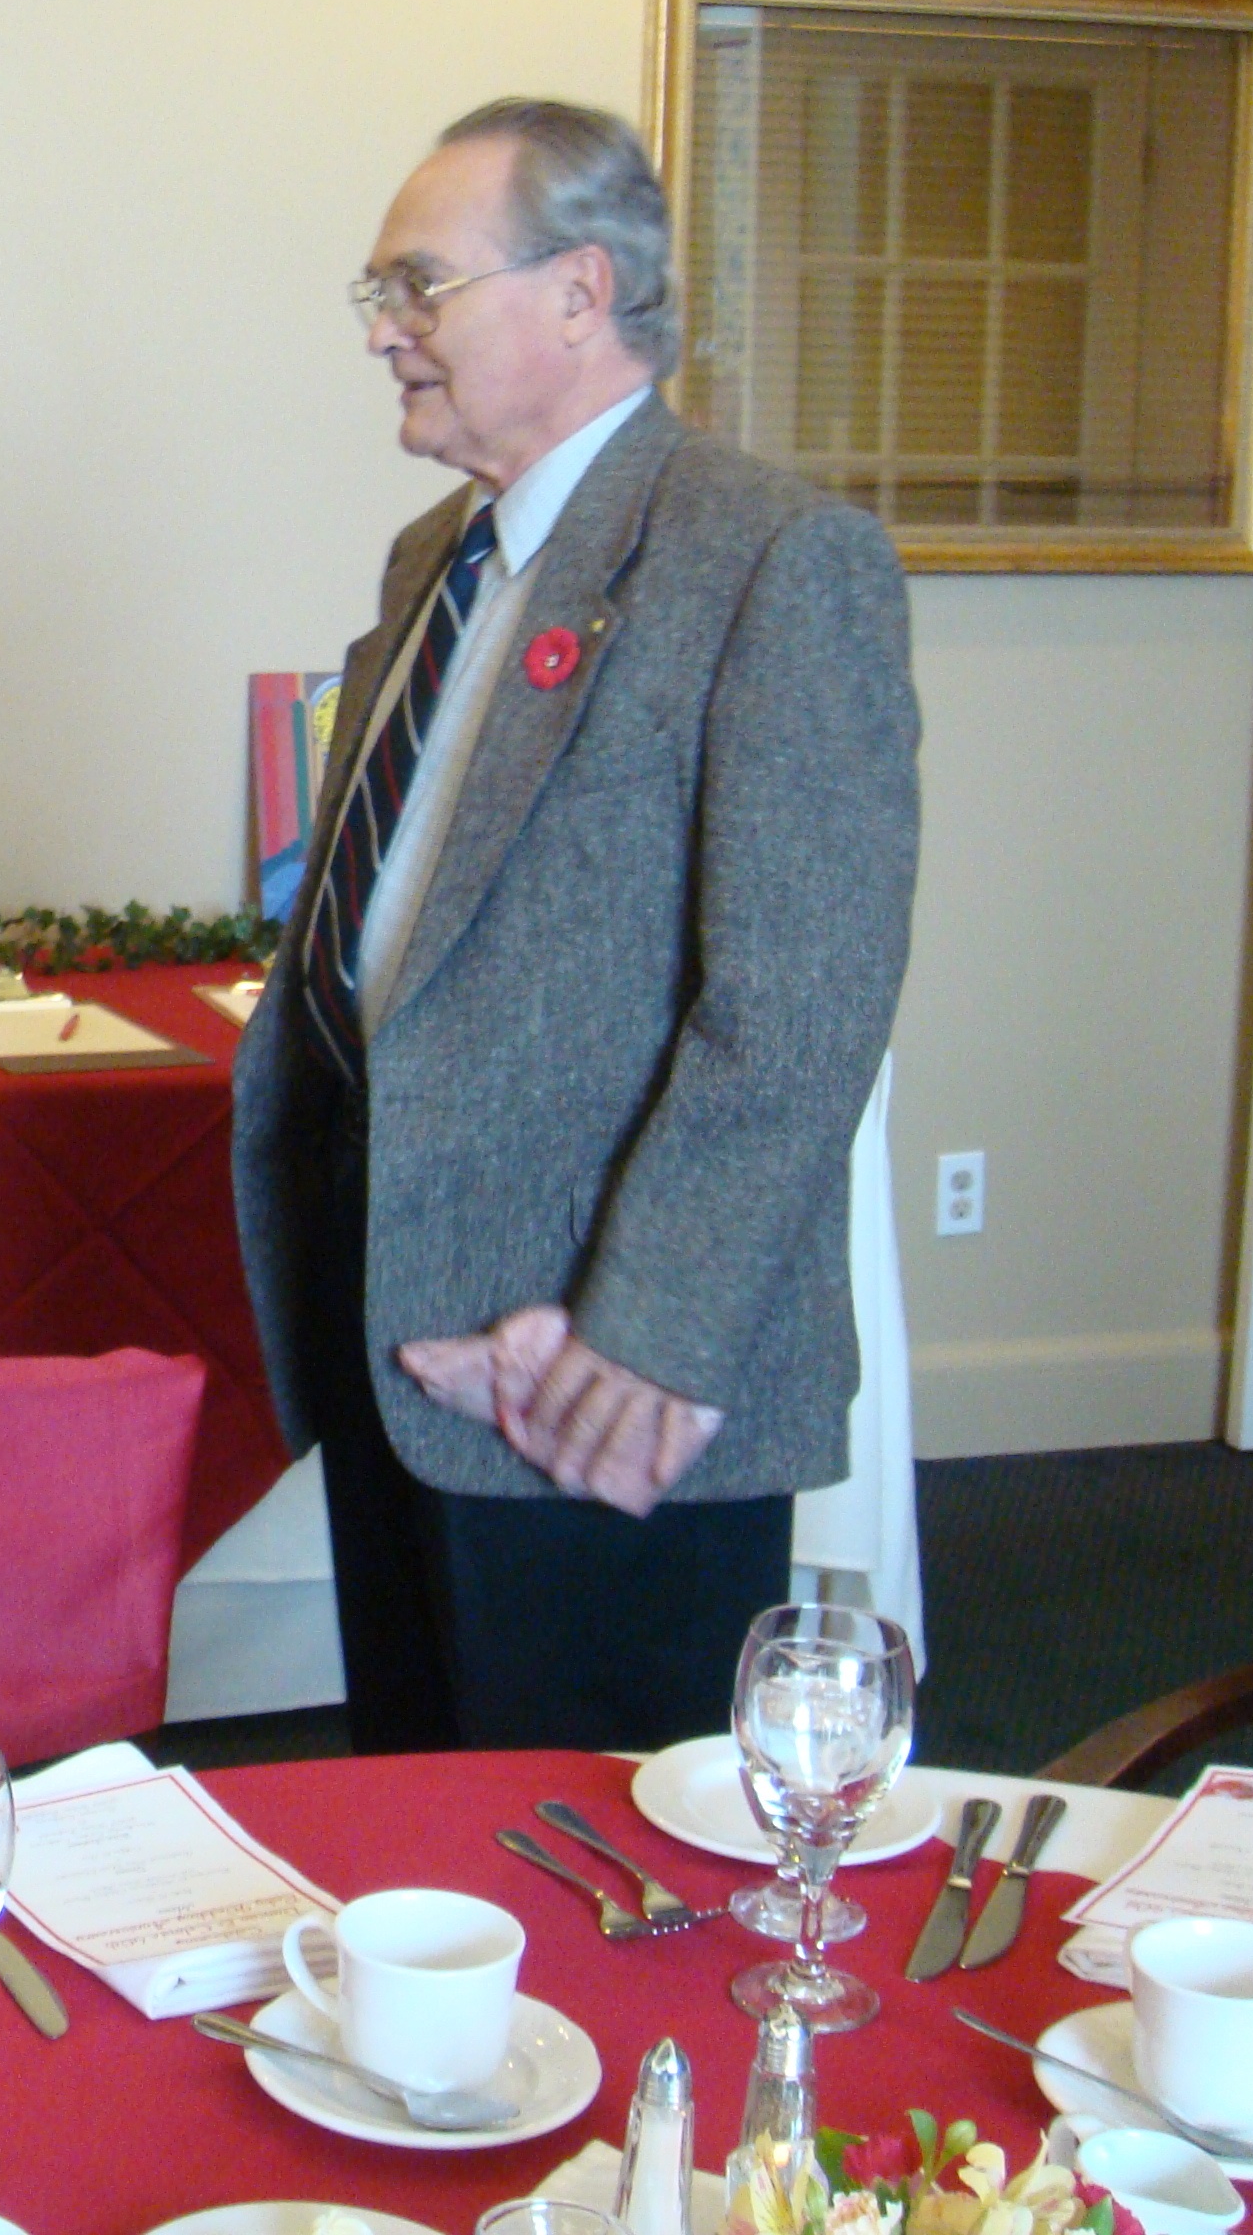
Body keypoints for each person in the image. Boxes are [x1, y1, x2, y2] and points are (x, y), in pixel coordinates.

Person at [231, 98, 920, 1755]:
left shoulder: (776, 560)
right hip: (402, 1324)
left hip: (596, 1377)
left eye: (419, 286)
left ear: (580, 291)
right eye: (379, 294)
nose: (385, 332)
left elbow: (799, 1008)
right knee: (415, 1804)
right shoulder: (439, 557)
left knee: (590, 1853)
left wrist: (649, 1330)